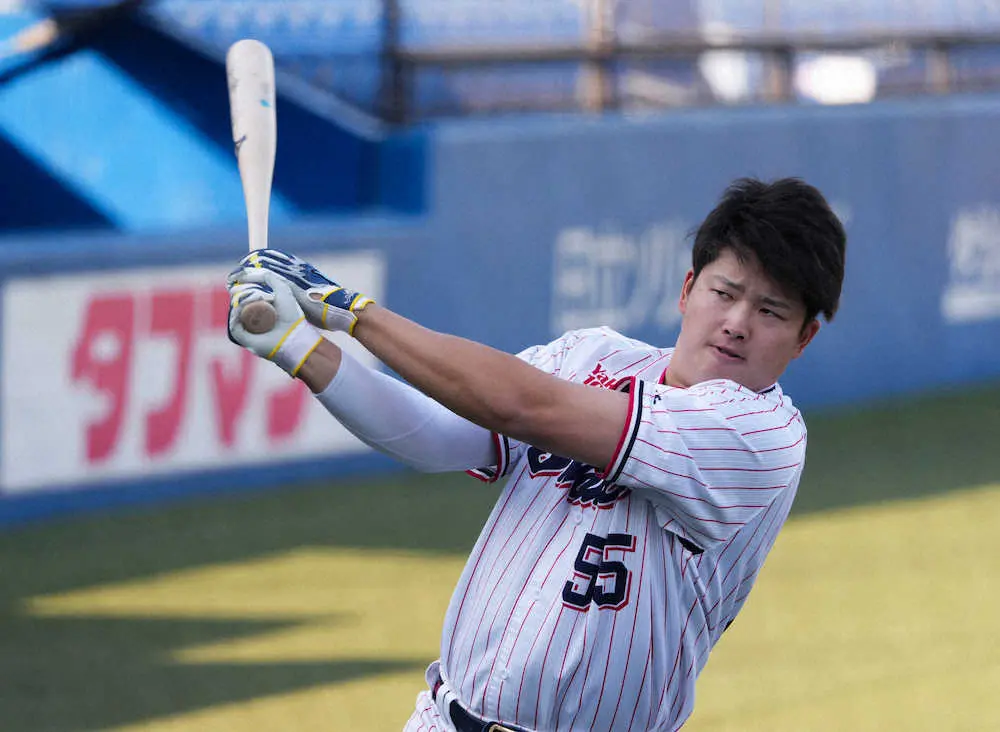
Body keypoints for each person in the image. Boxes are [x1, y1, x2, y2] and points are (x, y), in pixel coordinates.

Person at [225, 176, 847, 731]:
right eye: (725, 292)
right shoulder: (592, 357)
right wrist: (300, 347)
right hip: (445, 717)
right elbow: (436, 435)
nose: (738, 322)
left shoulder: (758, 437)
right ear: (687, 289)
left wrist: (354, 313)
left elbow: (522, 407)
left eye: (770, 311)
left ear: (803, 338)